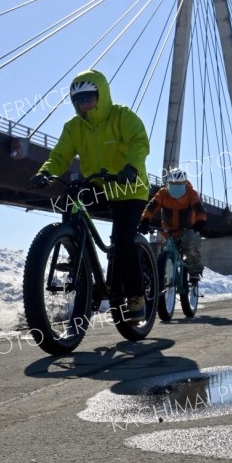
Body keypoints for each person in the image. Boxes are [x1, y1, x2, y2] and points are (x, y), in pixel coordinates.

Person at [30, 69, 150, 321]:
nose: (83, 104)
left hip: (129, 187)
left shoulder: (122, 116)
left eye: (88, 97)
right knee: (69, 199)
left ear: (101, 94)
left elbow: (139, 141)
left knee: (124, 240)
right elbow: (59, 156)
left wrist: (132, 167)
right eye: (78, 101)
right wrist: (45, 173)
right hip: (99, 185)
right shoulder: (73, 127)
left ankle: (136, 296)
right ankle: (76, 254)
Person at [137, 168, 207, 282]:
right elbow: (151, 207)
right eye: (173, 183)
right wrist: (145, 220)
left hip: (187, 229)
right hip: (169, 232)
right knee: (164, 254)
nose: (176, 186)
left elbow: (199, 209)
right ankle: (163, 278)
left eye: (179, 183)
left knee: (190, 241)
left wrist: (200, 221)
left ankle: (194, 271)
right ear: (168, 183)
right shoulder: (163, 194)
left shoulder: (191, 194)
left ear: (185, 183)